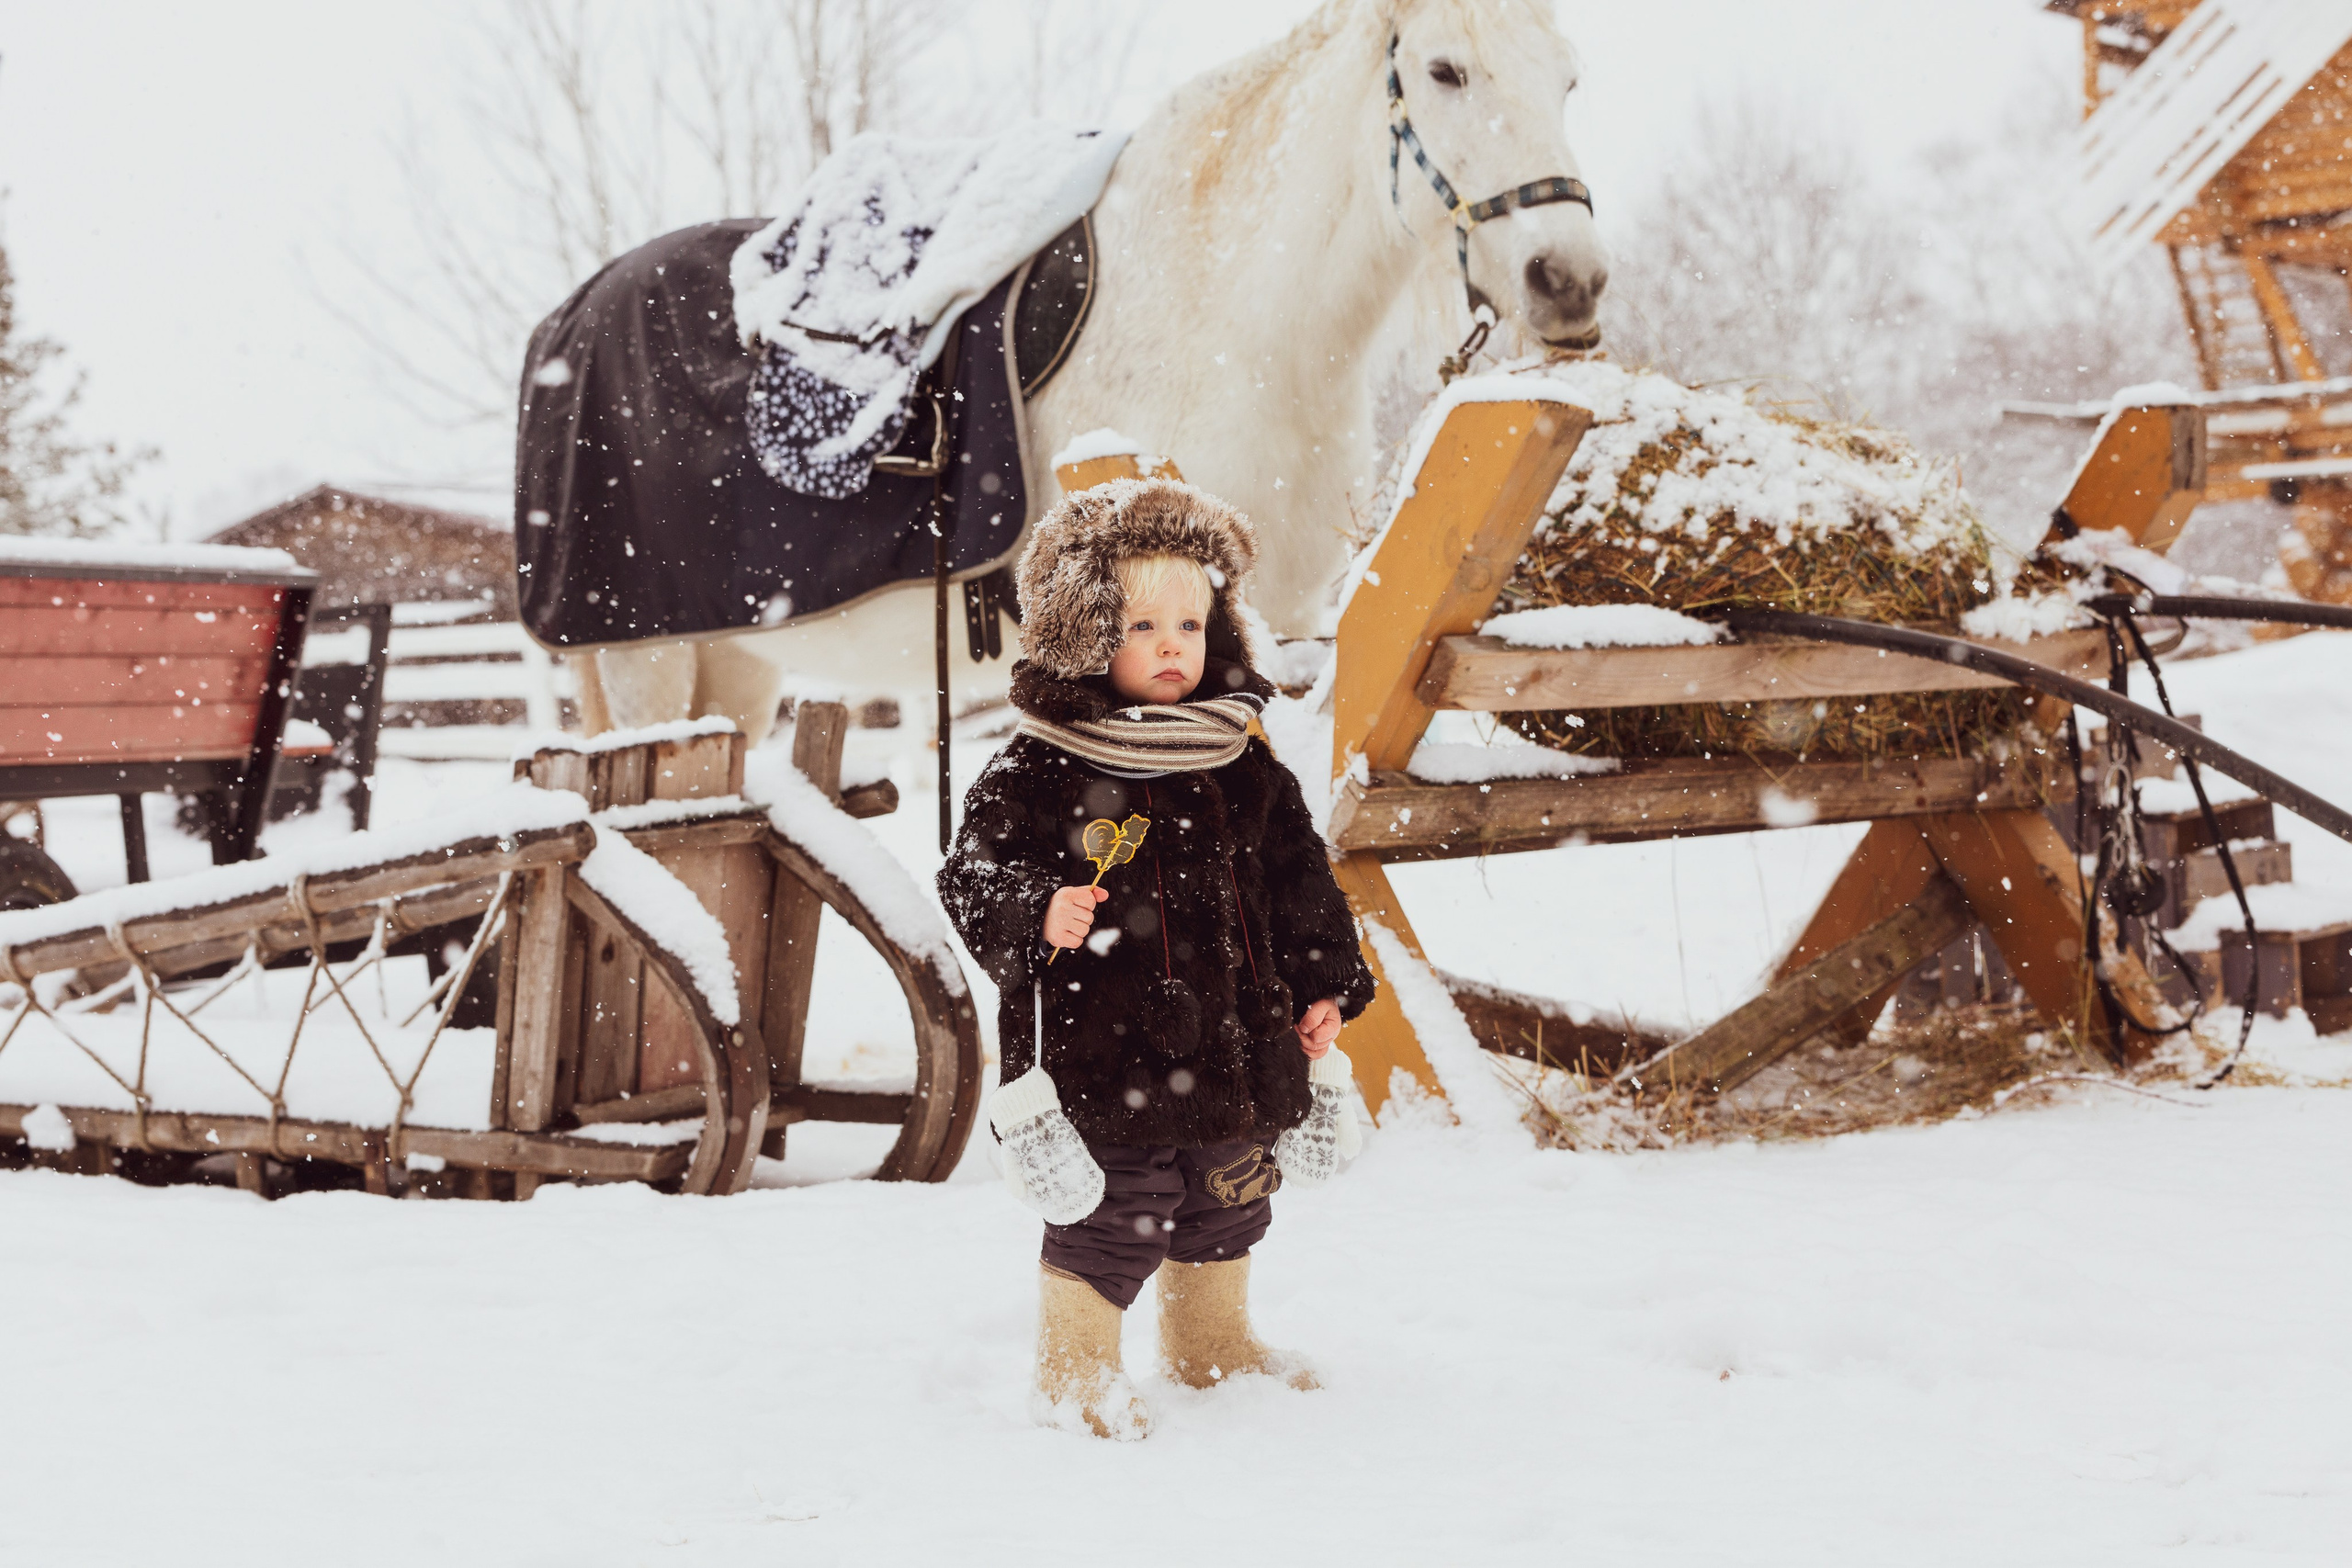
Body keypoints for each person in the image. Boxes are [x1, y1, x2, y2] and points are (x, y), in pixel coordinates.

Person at [937, 476, 1376, 1440]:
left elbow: (1299, 884)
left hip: (1236, 1034)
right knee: (1114, 1204)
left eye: (1191, 620)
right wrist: (1033, 909)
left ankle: (1210, 1345)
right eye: (1140, 626)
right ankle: (1074, 1370)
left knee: (1230, 1190)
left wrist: (1321, 987)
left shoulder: (1240, 759)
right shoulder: (1040, 767)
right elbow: (971, 876)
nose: (1173, 643)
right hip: (1105, 1048)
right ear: (1083, 634)